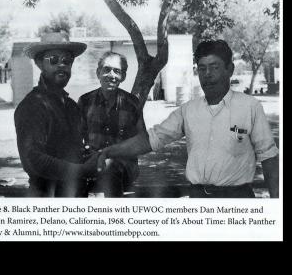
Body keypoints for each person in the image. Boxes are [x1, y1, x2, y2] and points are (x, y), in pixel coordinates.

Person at [97, 40, 279, 198]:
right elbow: (152, 138)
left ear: (229, 69)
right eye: (202, 68)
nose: (207, 74)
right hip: (198, 199)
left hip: (237, 199)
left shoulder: (250, 107)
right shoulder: (189, 110)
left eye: (215, 67)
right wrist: (110, 151)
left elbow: (269, 158)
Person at [14, 31, 99, 197]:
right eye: (53, 60)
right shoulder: (33, 106)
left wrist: (89, 155)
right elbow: (33, 160)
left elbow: (72, 148)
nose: (61, 65)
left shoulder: (71, 106)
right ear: (39, 63)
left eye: (67, 61)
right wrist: (81, 170)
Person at [77, 51, 146, 197]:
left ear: (123, 77)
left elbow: (142, 141)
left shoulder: (132, 103)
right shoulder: (85, 101)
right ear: (98, 73)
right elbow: (76, 139)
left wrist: (113, 154)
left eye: (117, 71)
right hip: (93, 162)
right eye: (107, 69)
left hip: (124, 165)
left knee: (111, 167)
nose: (112, 75)